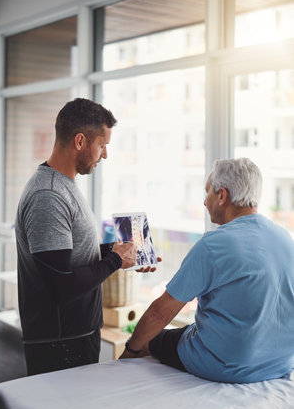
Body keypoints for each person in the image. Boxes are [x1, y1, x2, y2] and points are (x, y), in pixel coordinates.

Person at [15, 97, 158, 376]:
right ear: (80, 141)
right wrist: (115, 260)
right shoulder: (49, 196)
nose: (105, 155)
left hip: (75, 336)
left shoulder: (63, 186)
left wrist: (120, 252)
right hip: (60, 344)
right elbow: (61, 285)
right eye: (102, 145)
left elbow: (71, 254)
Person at [120, 157, 294, 384]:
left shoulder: (213, 244)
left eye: (207, 192)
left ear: (222, 195)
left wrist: (129, 351)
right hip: (278, 363)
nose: (204, 201)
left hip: (226, 366)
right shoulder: (285, 238)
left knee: (151, 339)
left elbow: (159, 313)